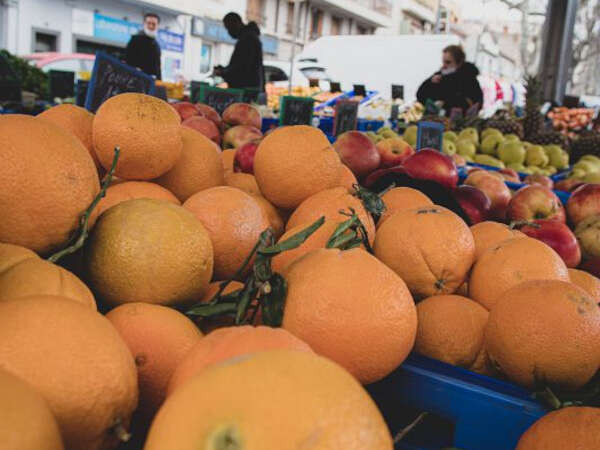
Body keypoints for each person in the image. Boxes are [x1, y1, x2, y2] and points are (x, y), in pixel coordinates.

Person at [417, 45, 483, 116]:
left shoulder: (469, 79)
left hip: (459, 123)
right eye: (443, 62)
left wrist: (445, 103)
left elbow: (474, 103)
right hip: (436, 121)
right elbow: (420, 95)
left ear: (459, 63)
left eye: (448, 62)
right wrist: (429, 82)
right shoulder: (439, 76)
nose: (444, 65)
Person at [214, 13, 264, 90]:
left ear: (237, 23)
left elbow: (241, 68)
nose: (229, 32)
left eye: (229, 28)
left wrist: (223, 72)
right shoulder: (249, 37)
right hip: (250, 88)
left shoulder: (247, 39)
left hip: (246, 89)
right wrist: (224, 70)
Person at [125, 13, 162, 80]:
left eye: (154, 24)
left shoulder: (157, 45)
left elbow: (158, 68)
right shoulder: (135, 40)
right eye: (148, 23)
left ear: (157, 26)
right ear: (144, 24)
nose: (151, 26)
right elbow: (127, 62)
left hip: (151, 83)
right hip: (135, 80)